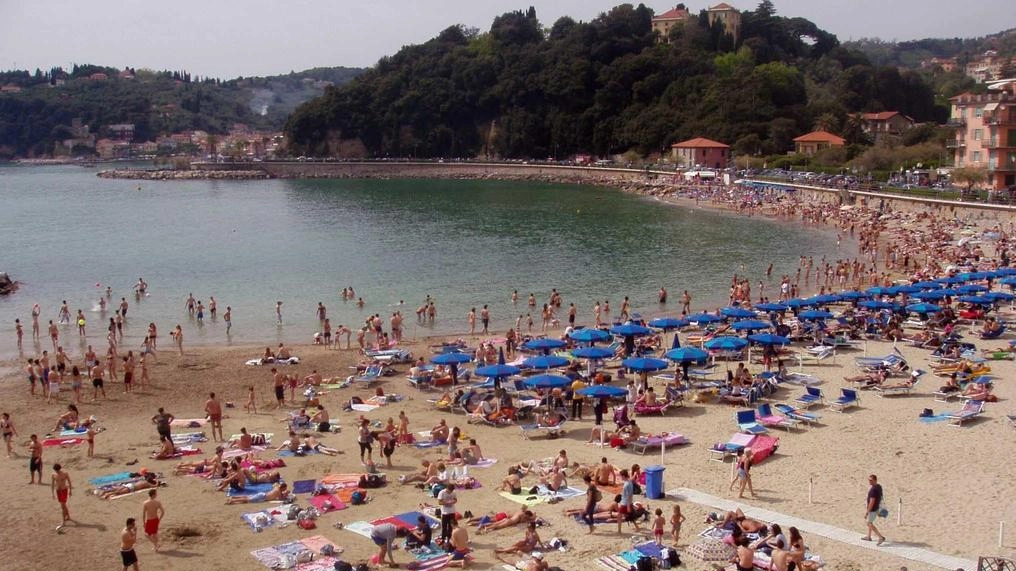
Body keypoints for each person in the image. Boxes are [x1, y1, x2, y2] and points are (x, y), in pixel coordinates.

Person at [863, 474, 886, 545]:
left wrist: (867, 512)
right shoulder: (879, 486)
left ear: (875, 480)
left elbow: (872, 502)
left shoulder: (873, 490)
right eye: (869, 480)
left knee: (869, 523)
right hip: (877, 508)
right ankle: (869, 536)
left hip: (872, 509)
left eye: (871, 480)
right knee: (870, 522)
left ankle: (880, 537)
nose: (869, 481)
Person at [225, 482, 289, 504]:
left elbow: (275, 484)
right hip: (263, 497)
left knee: (247, 497)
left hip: (262, 494)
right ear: (283, 488)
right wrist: (286, 494)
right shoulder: (278, 491)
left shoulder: (277, 488)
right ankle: (232, 500)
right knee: (247, 499)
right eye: (285, 489)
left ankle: (233, 497)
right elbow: (281, 498)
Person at [618, 469, 640, 533]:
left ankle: (619, 530)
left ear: (624, 476)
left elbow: (628, 496)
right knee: (630, 516)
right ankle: (637, 527)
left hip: (625, 503)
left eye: (621, 476)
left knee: (619, 516)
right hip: (628, 502)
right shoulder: (629, 482)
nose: (620, 477)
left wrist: (628, 506)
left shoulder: (627, 484)